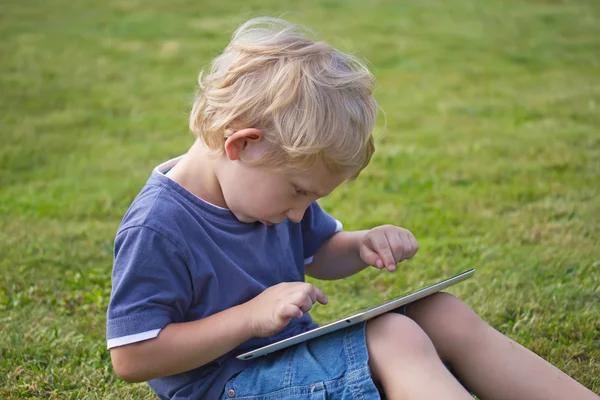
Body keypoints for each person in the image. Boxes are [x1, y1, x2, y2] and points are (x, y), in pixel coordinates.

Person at [106, 17, 598, 400]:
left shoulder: (268, 199)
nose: (301, 213)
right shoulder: (160, 227)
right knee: (395, 339)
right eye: (300, 192)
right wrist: (250, 319)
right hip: (229, 385)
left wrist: (361, 246)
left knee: (439, 313)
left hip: (290, 359)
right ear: (243, 146)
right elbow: (133, 356)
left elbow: (320, 252)